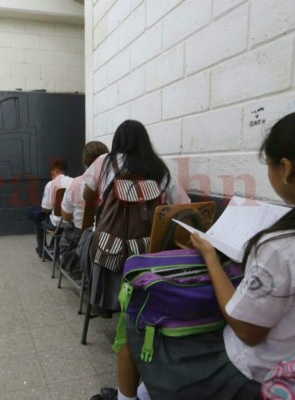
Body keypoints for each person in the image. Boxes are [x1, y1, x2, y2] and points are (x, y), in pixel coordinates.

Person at [124, 106, 295, 400]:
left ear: (287, 169)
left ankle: (132, 395)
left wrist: (209, 255)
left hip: (251, 372)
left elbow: (247, 330)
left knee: (136, 314)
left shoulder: (284, 244)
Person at [85, 120, 190, 400]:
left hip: (110, 251)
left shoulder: (103, 163)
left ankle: (104, 306)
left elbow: (86, 193)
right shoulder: (158, 168)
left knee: (89, 244)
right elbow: (181, 206)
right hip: (146, 255)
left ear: (117, 140)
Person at [59, 141, 109, 271]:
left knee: (68, 228)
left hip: (78, 235)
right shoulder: (111, 185)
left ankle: (72, 261)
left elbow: (66, 215)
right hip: (104, 236)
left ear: (84, 162)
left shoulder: (75, 184)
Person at [34, 159, 73, 258]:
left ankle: (42, 251)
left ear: (55, 170)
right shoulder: (74, 182)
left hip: (57, 223)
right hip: (72, 222)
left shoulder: (51, 184)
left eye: (52, 171)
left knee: (38, 220)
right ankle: (53, 247)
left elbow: (46, 209)